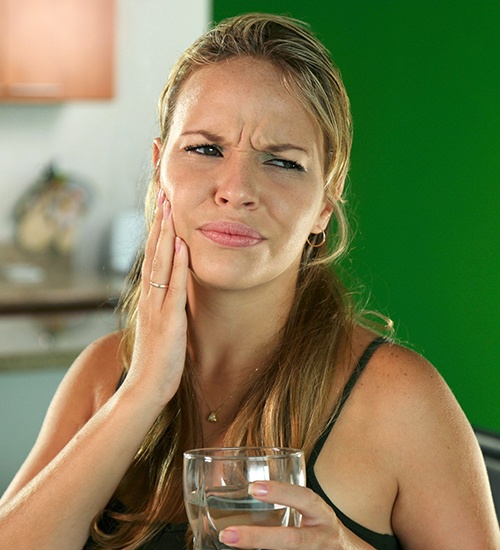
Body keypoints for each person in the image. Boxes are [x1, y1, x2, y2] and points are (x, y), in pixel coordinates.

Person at [0, 13, 498, 550]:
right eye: (205, 149)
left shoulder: (402, 401)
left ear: (324, 207)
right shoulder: (103, 377)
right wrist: (142, 393)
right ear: (159, 168)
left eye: (282, 162)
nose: (236, 189)